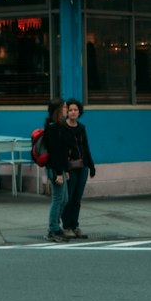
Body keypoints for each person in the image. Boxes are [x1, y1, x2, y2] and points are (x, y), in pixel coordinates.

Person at [60, 98, 95, 240]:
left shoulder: (81, 128)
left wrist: (91, 165)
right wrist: (63, 169)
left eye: (76, 110)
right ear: (67, 112)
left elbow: (86, 147)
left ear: (79, 112)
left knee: (77, 199)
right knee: (68, 198)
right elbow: (61, 150)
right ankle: (67, 226)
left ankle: (75, 226)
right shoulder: (62, 127)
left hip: (83, 167)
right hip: (70, 168)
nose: (73, 112)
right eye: (70, 110)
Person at [41, 98, 69, 242]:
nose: (67, 109)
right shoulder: (53, 128)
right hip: (54, 169)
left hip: (60, 169)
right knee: (58, 199)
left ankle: (56, 226)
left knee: (64, 199)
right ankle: (53, 229)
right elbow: (55, 153)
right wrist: (59, 173)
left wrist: (65, 170)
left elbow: (63, 152)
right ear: (58, 110)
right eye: (64, 107)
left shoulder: (60, 126)